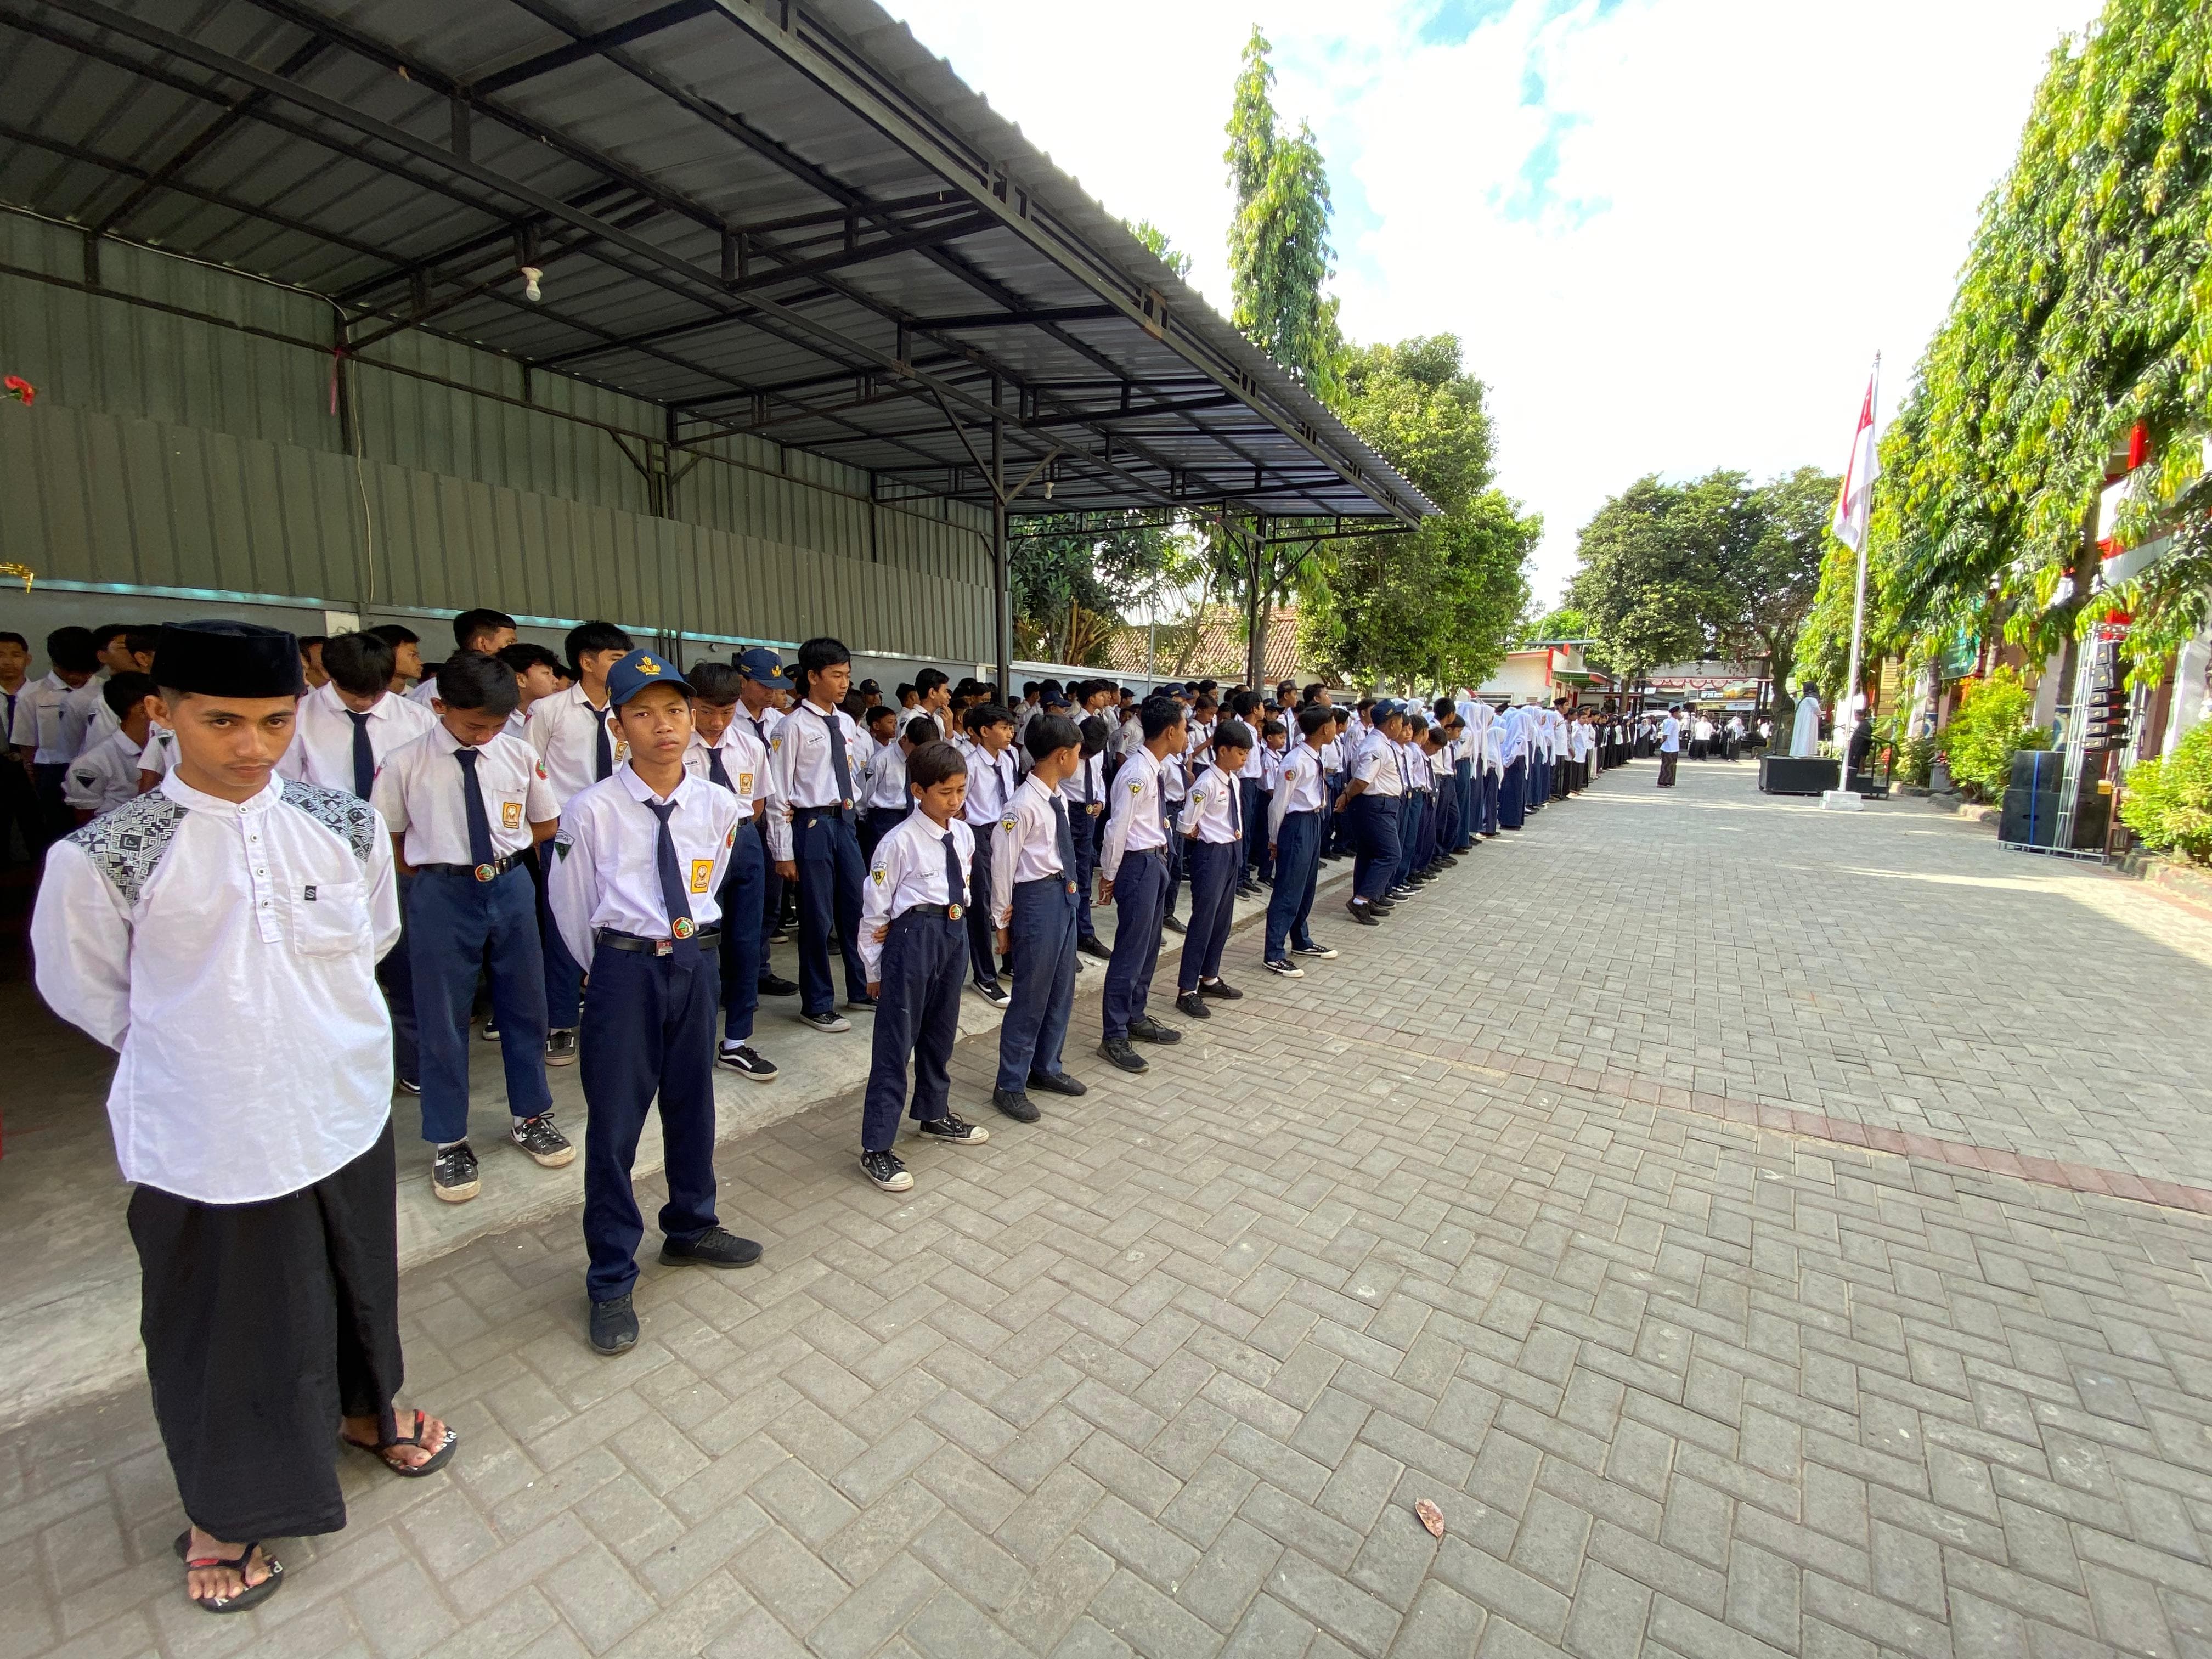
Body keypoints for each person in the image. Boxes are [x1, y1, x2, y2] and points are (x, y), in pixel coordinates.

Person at [32, 619, 455, 1616]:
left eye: (272, 719)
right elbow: (88, 990)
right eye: (221, 720)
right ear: (163, 713)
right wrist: (213, 1048)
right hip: (210, 1129)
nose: (252, 746)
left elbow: (371, 939)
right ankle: (226, 1508)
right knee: (226, 1324)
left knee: (356, 1275)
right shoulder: (107, 854)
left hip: (341, 1103)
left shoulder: (341, 823)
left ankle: (364, 1410)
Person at [548, 647, 761, 1355]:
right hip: (625, 972)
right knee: (614, 1127)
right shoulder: (591, 812)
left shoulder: (718, 806)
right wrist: (615, 968)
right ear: (620, 727)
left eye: (675, 711)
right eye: (644, 713)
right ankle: (610, 1273)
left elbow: (710, 883)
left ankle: (691, 1225)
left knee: (693, 1101)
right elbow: (573, 910)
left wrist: (683, 952)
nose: (664, 726)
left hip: (694, 964)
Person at [372, 651, 567, 1203]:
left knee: (525, 1007)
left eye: (496, 724)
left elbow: (545, 820)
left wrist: (499, 861)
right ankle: (448, 1139)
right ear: (440, 706)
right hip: (440, 894)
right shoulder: (406, 761)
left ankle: (531, 1115)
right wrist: (438, 869)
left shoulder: (516, 754)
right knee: (443, 1017)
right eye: (473, 724)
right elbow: (388, 836)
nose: (484, 735)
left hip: (509, 888)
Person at [282, 631, 438, 1090]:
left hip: (397, 860)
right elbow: (288, 794)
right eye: (357, 692)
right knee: (335, 971)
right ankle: (344, 1071)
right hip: (325, 865)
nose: (369, 700)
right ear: (328, 674)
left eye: (377, 690)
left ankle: (413, 1064)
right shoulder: (298, 721)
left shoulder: (414, 720)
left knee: (410, 967)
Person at [856, 740, 990, 1192]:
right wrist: (873, 970)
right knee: (896, 1043)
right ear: (918, 790)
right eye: (945, 793)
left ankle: (933, 1112)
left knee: (940, 1032)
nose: (955, 801)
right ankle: (876, 1146)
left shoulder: (965, 835)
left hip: (953, 936)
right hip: (913, 940)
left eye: (961, 791)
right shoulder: (898, 843)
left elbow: (966, 886)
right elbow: (875, 911)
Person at [529, 622, 635, 1065]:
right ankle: (560, 1022)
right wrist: (542, 834)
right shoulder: (549, 711)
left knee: (619, 921)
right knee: (563, 922)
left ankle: (613, 1009)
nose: (623, 667)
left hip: (619, 829)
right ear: (586, 661)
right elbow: (528, 771)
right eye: (614, 658)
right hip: (567, 834)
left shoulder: (629, 710)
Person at [680, 661, 786, 1083]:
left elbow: (758, 805)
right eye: (706, 711)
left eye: (725, 712)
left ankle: (737, 1041)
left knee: (746, 943)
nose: (716, 722)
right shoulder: (675, 747)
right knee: (698, 945)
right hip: (696, 849)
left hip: (743, 845)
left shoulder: (749, 746)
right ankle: (693, 1040)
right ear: (688, 704)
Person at [989, 713, 1089, 1122]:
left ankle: (1046, 1066)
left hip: (1062, 892)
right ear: (1063, 755)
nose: (1080, 762)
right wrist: (1001, 921)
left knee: (1061, 988)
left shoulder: (1057, 796)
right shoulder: (1022, 804)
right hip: (1035, 900)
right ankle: (1009, 1084)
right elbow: (1002, 864)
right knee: (1031, 995)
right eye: (1079, 755)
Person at [771, 637, 873, 1034]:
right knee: (817, 916)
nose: (845, 683)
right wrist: (784, 851)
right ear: (812, 677)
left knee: (857, 906)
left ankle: (861, 988)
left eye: (848, 675)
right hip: (812, 824)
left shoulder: (845, 723)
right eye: (836, 676)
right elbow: (780, 791)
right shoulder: (791, 727)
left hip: (845, 821)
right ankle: (816, 1003)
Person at [1097, 695, 1187, 1073]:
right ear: (1169, 731)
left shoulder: (1155, 769)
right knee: (1131, 951)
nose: (1187, 736)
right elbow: (1117, 828)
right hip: (1137, 864)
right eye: (1185, 728)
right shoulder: (1136, 772)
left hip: (1155, 860)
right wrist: (1109, 874)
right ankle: (1114, 1034)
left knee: (1149, 947)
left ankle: (1136, 1015)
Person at [1174, 717, 1253, 1020]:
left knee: (1223, 919)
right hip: (1212, 854)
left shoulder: (1232, 780)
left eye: (1247, 754)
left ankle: (1209, 976)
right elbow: (1187, 821)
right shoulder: (1206, 783)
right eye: (1240, 753)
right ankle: (1186, 990)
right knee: (1204, 920)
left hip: (1232, 849)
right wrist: (1196, 834)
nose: (1244, 759)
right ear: (1222, 751)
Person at [732, 648, 797, 1000]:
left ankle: (759, 970)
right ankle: (732, 977)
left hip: (774, 820)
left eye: (778, 685)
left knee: (768, 903)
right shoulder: (725, 720)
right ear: (742, 682)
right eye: (765, 685)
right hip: (740, 822)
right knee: (732, 906)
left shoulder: (778, 722)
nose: (774, 692)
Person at [1262, 704, 1337, 976]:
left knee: (1307, 886)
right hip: (1297, 825)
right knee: (1289, 888)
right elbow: (1278, 804)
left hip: (1314, 820)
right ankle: (1273, 952)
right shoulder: (1294, 761)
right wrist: (1274, 838)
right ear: (1324, 728)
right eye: (1332, 724)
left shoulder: (1315, 755)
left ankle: (1301, 940)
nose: (1335, 728)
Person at [956, 703, 1020, 1007]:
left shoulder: (1007, 760)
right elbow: (958, 806)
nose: (1010, 733)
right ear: (984, 732)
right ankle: (984, 975)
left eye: (1011, 727)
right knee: (981, 904)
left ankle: (1010, 961)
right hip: (979, 834)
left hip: (1005, 832)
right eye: (1004, 728)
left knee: (1008, 895)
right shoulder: (968, 765)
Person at [1340, 700, 1408, 925]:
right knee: (1390, 854)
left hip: (1379, 805)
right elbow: (1361, 780)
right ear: (1392, 725)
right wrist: (1347, 796)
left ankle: (1367, 898)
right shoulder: (1376, 747)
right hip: (1376, 806)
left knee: (1369, 854)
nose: (1401, 726)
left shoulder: (1379, 743)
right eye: (1399, 722)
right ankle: (1361, 900)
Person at [64, 671, 158, 821]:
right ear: (143, 709)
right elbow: (85, 821)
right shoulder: (91, 763)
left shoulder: (169, 747)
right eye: (162, 706)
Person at [1065, 715, 1112, 959]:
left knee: (1084, 875)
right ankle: (1066, 940)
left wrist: (1100, 801)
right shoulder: (1067, 751)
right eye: (1085, 752)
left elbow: (1098, 780)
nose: (1087, 757)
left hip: (1087, 814)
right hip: (1067, 812)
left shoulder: (1097, 753)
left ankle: (1085, 934)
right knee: (1065, 877)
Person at [409, 611, 518, 706]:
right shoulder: (438, 689)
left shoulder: (504, 684)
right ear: (482, 644)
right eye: (509, 642)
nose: (514, 649)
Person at [367, 624, 423, 696]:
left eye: (417, 656)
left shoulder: (418, 699)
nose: (420, 662)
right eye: (412, 655)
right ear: (387, 653)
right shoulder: (359, 699)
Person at [1792, 685, 1822, 758]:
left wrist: (1817, 714)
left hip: (1808, 720)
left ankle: (1805, 752)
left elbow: (1817, 709)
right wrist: (1795, 697)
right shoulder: (1806, 699)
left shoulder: (1811, 699)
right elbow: (1798, 705)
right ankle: (1801, 752)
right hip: (1804, 720)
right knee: (1803, 734)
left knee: (1806, 734)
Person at [1657, 704, 1683, 787]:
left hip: (1672, 747)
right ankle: (1663, 782)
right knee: (1668, 765)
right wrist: (1663, 741)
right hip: (1670, 748)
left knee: (1670, 765)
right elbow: (1666, 733)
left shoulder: (1672, 721)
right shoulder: (1672, 722)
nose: (1680, 714)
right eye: (1679, 713)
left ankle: (1668, 781)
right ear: (1675, 713)